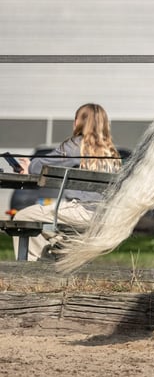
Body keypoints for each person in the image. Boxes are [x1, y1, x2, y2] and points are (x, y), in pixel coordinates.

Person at [13, 103, 122, 261]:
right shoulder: (112, 152)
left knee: (23, 217)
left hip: (80, 212)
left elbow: (42, 166)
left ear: (78, 122)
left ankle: (31, 266)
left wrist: (29, 166)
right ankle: (52, 256)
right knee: (53, 233)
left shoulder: (75, 146)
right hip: (104, 217)